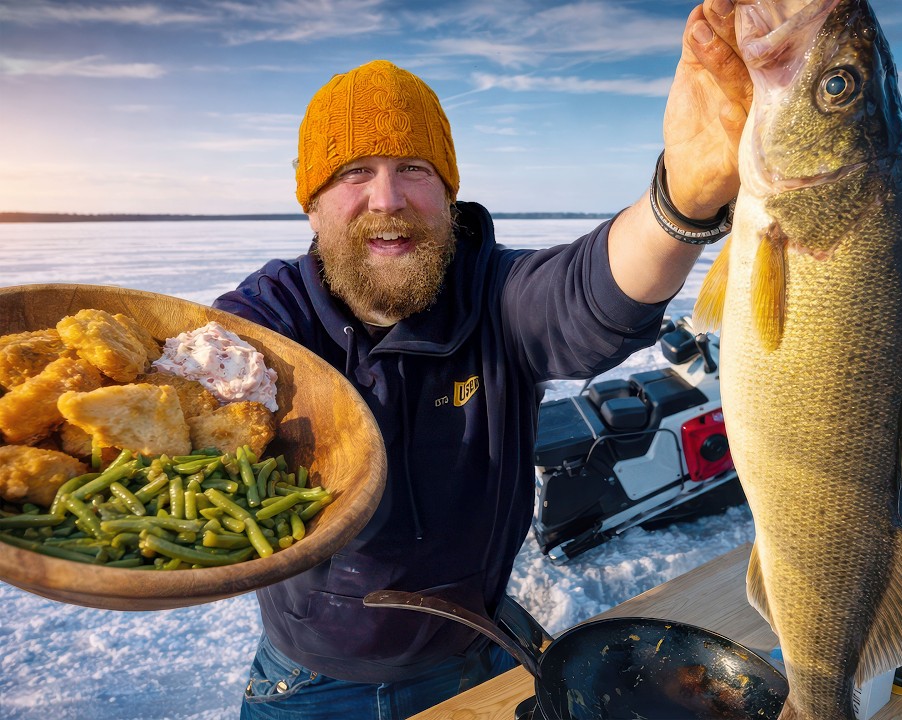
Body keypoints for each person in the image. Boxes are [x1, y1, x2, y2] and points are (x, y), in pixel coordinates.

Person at [213, 1, 752, 717]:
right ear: (311, 203)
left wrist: (683, 197)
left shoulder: (494, 295)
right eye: (353, 173)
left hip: (475, 652)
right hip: (309, 681)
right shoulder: (271, 315)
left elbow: (587, 293)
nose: (387, 198)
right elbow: (201, 377)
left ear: (446, 192)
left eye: (413, 168)